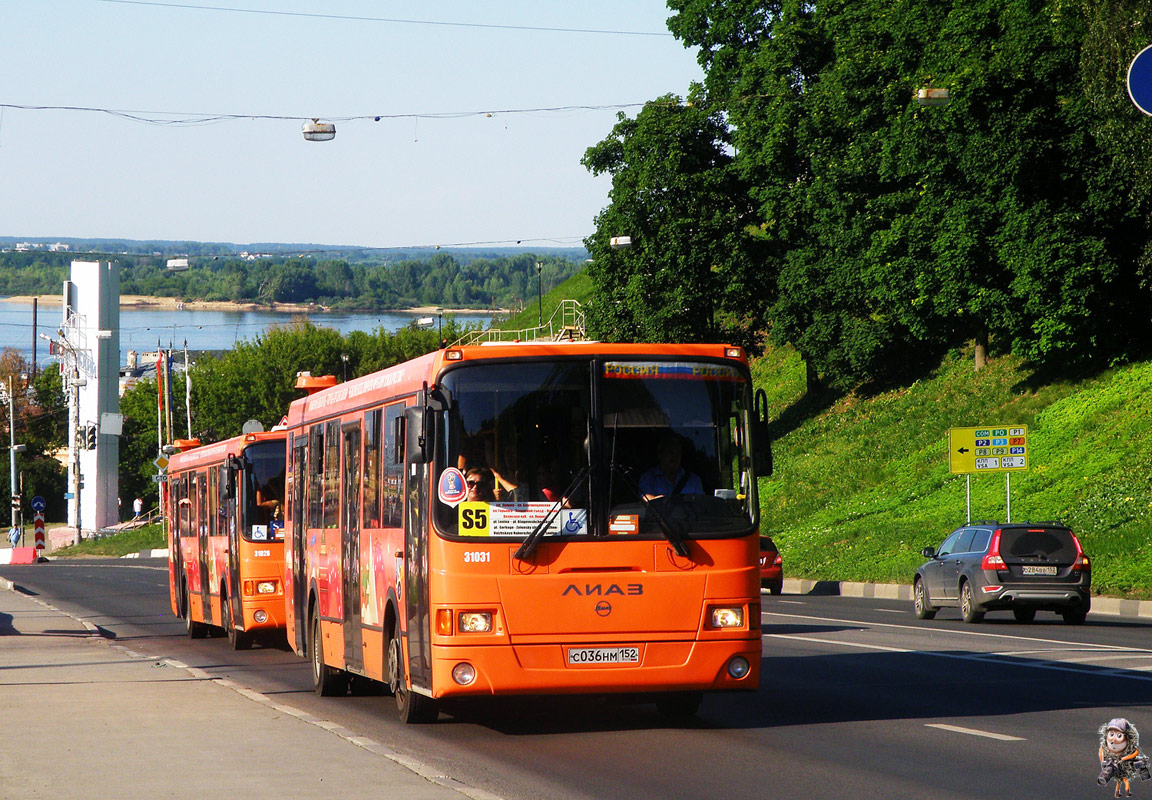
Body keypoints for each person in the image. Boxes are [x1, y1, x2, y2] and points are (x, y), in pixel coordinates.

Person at [639, 433, 703, 501]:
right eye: (670, 452)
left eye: (678, 452)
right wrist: (658, 501)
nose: (675, 456)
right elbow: (646, 498)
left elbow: (701, 503)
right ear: (660, 455)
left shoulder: (693, 480)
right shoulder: (648, 478)